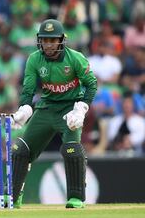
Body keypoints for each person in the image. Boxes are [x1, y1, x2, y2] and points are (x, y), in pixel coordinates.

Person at [10, 19, 97, 208]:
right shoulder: (34, 58)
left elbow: (91, 84)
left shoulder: (75, 58)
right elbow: (28, 89)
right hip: (47, 107)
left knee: (71, 149)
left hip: (70, 110)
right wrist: (24, 108)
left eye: (52, 40)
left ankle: (76, 198)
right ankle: (14, 197)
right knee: (21, 150)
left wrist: (81, 108)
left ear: (61, 40)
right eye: (45, 40)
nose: (48, 45)